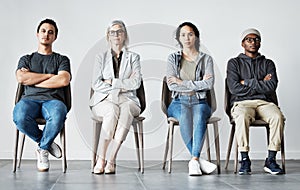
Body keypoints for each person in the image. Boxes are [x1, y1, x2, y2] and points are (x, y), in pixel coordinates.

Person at [13, 18, 71, 172]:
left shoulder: (61, 59)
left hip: (53, 100)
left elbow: (64, 79)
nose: (46, 34)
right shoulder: (26, 59)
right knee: (19, 115)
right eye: (43, 31)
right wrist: (50, 76)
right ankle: (46, 143)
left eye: (50, 32)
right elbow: (21, 78)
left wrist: (32, 79)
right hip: (29, 100)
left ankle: (43, 149)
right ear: (37, 34)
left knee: (58, 113)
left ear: (55, 37)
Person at [226, 28, 285, 175]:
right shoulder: (234, 63)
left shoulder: (268, 63)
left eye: (256, 39)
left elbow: (271, 86)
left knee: (277, 117)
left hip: (265, 102)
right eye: (249, 39)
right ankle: (244, 159)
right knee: (241, 116)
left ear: (260, 43)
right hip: (242, 103)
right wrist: (260, 84)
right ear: (242, 43)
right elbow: (234, 89)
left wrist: (246, 82)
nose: (253, 42)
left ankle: (271, 160)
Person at [90, 20, 142, 175]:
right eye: (113, 32)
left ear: (124, 35)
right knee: (111, 111)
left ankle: (111, 159)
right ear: (108, 36)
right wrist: (122, 84)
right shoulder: (101, 57)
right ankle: (101, 159)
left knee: (125, 111)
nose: (116, 35)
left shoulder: (134, 57)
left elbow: (136, 82)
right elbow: (95, 84)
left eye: (119, 31)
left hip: (129, 100)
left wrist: (112, 82)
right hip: (104, 100)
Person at [166, 22, 217, 176]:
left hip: (200, 101)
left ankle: (194, 159)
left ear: (196, 37)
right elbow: (171, 85)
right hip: (178, 102)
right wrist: (196, 84)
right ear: (178, 38)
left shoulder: (206, 59)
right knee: (184, 115)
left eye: (190, 34)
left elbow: (208, 84)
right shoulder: (173, 58)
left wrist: (182, 82)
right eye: (183, 35)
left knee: (200, 115)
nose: (187, 38)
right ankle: (197, 160)